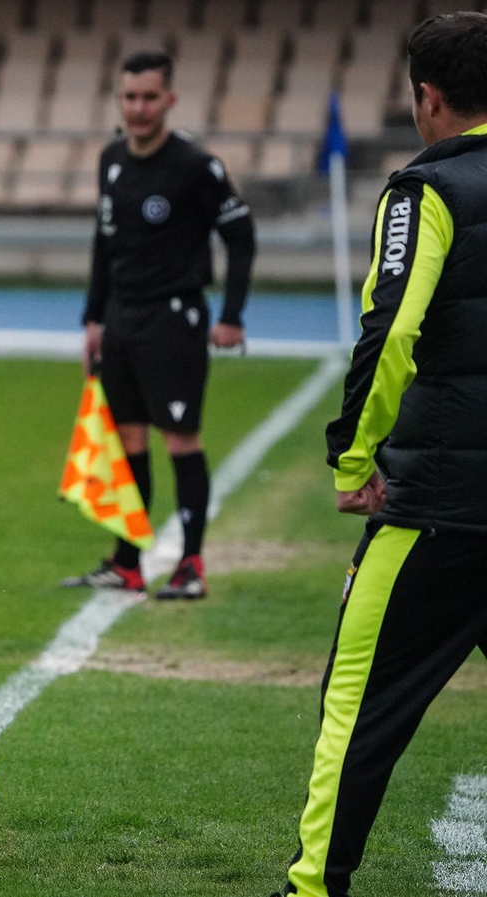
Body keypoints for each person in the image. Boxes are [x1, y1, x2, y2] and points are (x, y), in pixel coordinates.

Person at [277, 13, 487, 897]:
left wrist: (352, 458)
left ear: (426, 98)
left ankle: (315, 887)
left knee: (356, 703)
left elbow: (392, 330)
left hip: (439, 506)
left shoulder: (423, 191)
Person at [61, 50, 256, 599]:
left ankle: (191, 565)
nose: (139, 108)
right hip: (122, 319)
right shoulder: (111, 160)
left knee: (180, 440)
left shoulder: (196, 166)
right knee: (126, 440)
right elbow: (105, 244)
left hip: (175, 320)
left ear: (169, 100)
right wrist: (93, 320)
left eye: (150, 97)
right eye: (130, 97)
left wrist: (232, 316)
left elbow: (241, 237)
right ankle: (127, 563)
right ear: (119, 100)